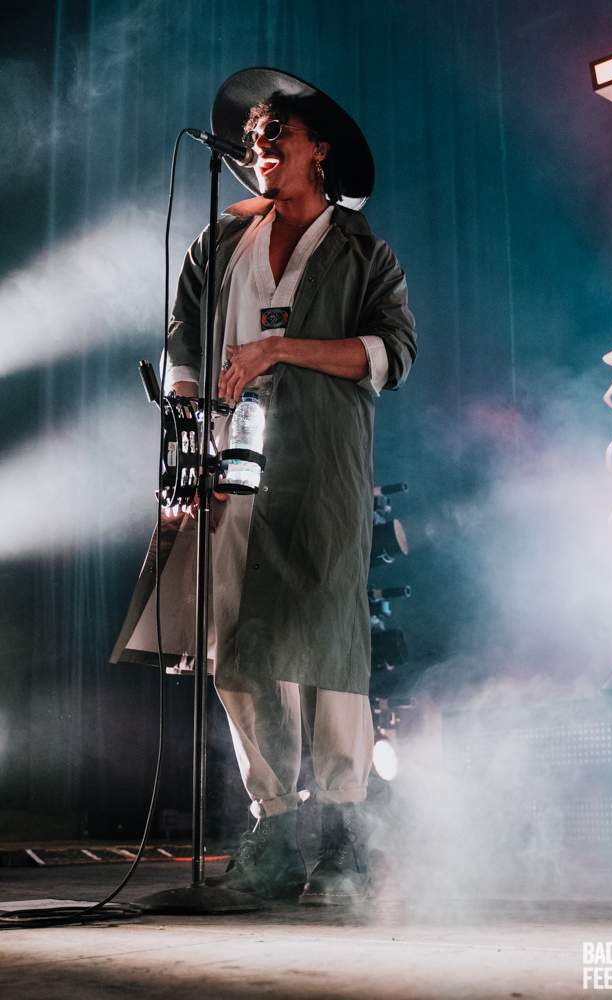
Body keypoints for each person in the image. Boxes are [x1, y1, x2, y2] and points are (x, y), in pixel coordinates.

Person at [112, 68, 416, 905]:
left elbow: (391, 354)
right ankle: (275, 828)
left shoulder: (362, 251)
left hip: (322, 466)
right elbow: (183, 341)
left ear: (319, 150)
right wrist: (186, 428)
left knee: (326, 644)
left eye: (277, 132)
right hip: (229, 464)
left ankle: (344, 833)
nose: (260, 146)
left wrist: (279, 350)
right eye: (252, 137)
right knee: (235, 644)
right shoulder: (219, 242)